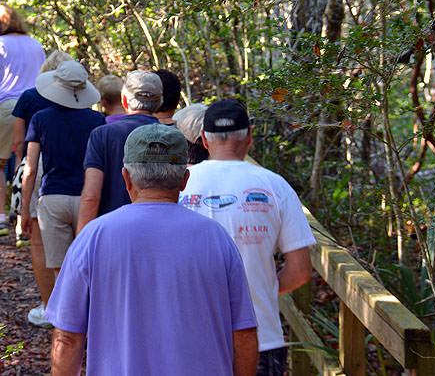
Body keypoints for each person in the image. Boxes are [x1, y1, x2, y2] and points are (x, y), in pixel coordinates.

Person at [46, 124, 259, 376]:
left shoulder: (93, 237)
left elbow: (68, 339)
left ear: (126, 178)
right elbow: (244, 334)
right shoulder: (216, 238)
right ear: (184, 180)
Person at [179, 99, 316, 376]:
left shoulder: (178, 185)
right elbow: (300, 271)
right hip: (259, 334)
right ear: (250, 135)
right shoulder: (275, 185)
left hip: (189, 335)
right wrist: (260, 292)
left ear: (204, 139)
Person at [20, 60, 104, 327]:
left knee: (59, 268)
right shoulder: (96, 120)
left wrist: (24, 210)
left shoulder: (40, 119)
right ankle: (91, 324)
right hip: (88, 199)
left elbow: (30, 169)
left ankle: (66, 326)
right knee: (88, 266)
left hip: (53, 199)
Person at [0, 3, 46, 236]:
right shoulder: (35, 43)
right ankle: (21, 217)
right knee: (27, 161)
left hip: (5, 105)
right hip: (35, 104)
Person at [76, 70, 163, 232]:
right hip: (160, 229)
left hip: (111, 229)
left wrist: (82, 241)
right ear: (160, 102)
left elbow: (91, 196)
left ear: (124, 100)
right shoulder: (173, 137)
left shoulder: (102, 135)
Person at [10, 50, 74, 245]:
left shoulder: (29, 97)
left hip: (35, 160)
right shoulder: (77, 99)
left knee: (37, 231)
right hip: (68, 162)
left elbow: (19, 140)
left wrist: (22, 163)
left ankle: (24, 230)